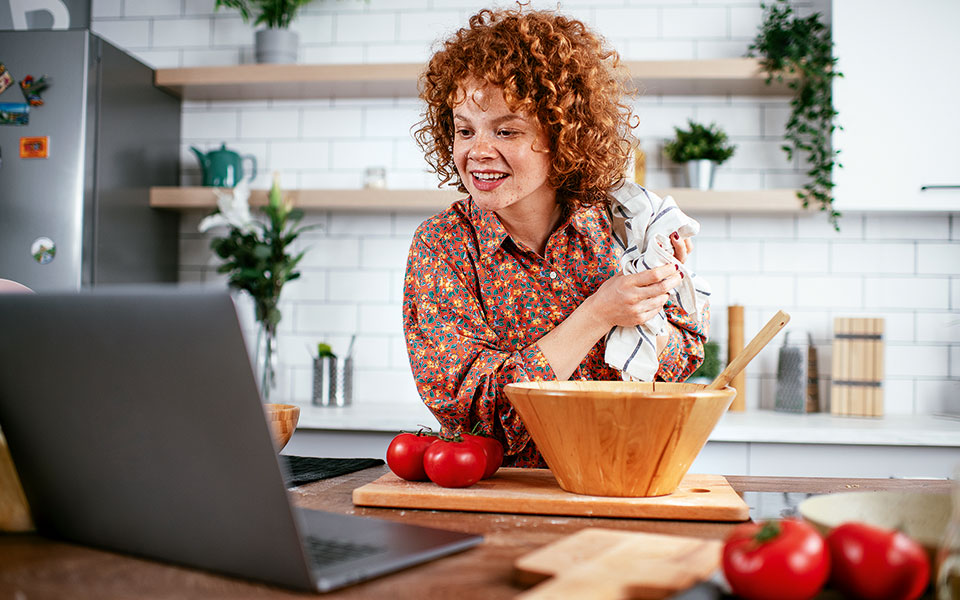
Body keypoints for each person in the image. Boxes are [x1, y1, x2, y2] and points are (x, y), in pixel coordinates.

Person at [403, 7, 708, 468]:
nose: (478, 151)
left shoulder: (624, 225)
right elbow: (475, 415)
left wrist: (661, 297)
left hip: (619, 475)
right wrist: (598, 314)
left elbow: (678, 363)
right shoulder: (443, 245)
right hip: (499, 494)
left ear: (563, 136)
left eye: (506, 130)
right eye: (464, 130)